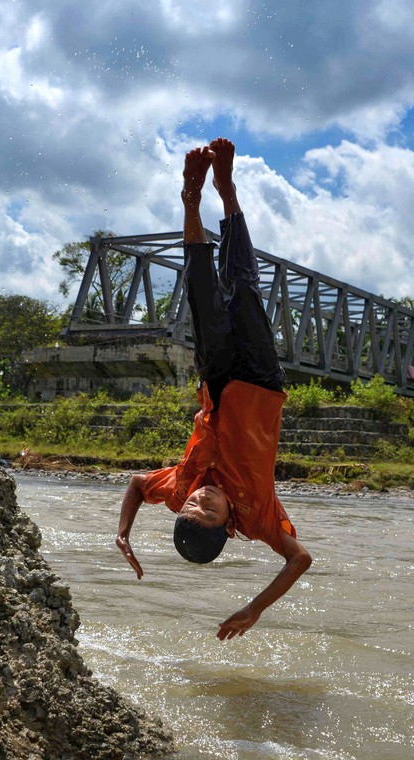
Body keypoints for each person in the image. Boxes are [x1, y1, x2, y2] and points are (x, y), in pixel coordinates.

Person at [114, 139, 311, 641]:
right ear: (227, 525)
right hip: (263, 383)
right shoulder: (261, 519)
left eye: (191, 505)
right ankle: (228, 192)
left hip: (219, 382)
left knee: (202, 288)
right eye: (208, 508)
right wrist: (255, 608)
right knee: (244, 281)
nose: (200, 496)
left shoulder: (180, 487)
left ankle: (192, 199)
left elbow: (138, 485)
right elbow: (300, 558)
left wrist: (123, 533)